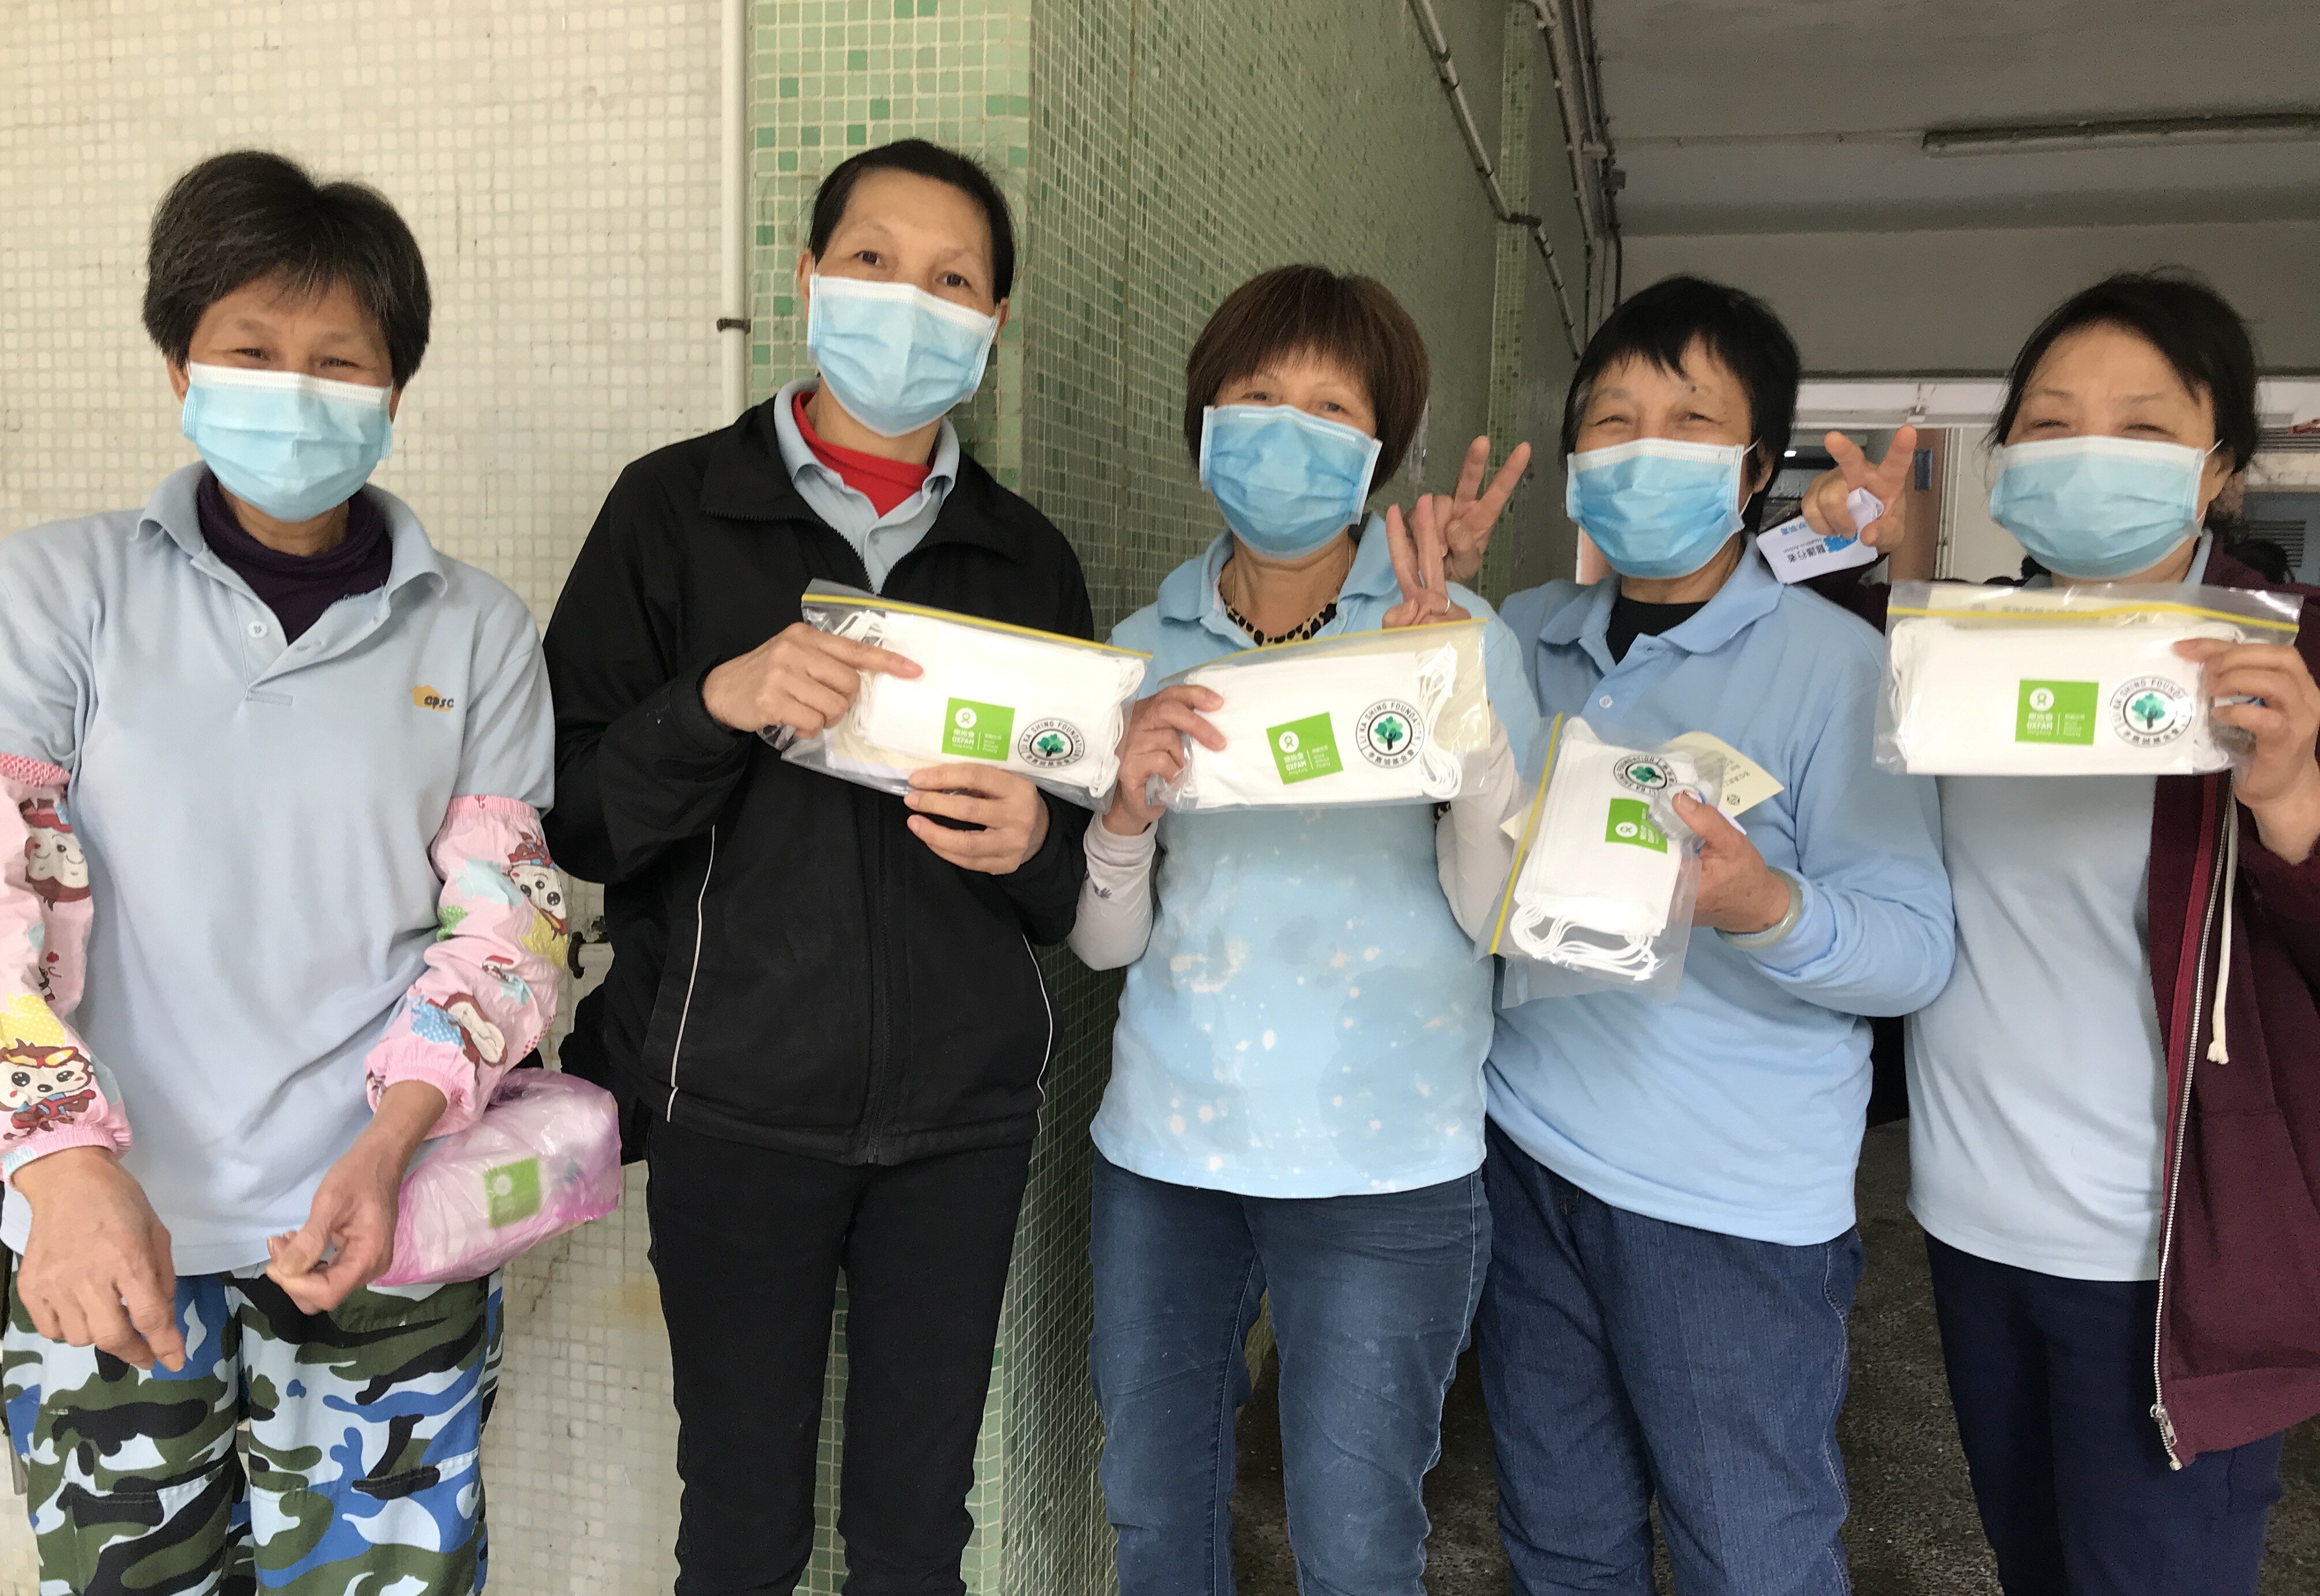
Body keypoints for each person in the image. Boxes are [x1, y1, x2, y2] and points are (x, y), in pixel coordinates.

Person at [0, 150, 559, 1593]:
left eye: (339, 361)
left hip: (376, 1228)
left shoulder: (478, 632)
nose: (296, 392)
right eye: (251, 351)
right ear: (178, 361)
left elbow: (504, 933)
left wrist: (389, 1148)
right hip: (98, 1233)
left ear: (393, 389)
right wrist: (59, 1168)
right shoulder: (56, 593)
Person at [542, 140, 1089, 1596]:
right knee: (738, 1528)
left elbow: (1068, 885)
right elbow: (575, 818)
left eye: (951, 279)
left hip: (959, 1128)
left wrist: (1040, 842)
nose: (906, 301)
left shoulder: (1023, 560)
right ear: (806, 277)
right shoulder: (670, 513)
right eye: (870, 260)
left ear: (989, 329)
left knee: (918, 1538)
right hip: (732, 1112)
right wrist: (712, 704)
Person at [1797, 270, 2320, 1596]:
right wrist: (1831, 550)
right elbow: (1790, 669)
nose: (2088, 454)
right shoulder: (1955, 644)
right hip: (1972, 1224)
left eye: (2141, 429)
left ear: (2217, 471)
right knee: (2030, 1562)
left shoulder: (2288, 668)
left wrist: (2292, 812)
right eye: (2048, 421)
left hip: (2165, 1260)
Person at [1472, 276, 1956, 1595]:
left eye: (1687, 423)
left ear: (1749, 470)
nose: (1642, 449)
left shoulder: (1832, 665)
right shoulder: (1525, 636)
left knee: (1749, 1553)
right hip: (1524, 1157)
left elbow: (1914, 948)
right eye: (1613, 421)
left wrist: (1763, 905)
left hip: (1726, 1205)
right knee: (1557, 1536)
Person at [1069, 263, 1536, 1596]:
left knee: (1354, 1539)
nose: (1287, 427)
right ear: (1204, 422)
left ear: (1379, 447)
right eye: (1257, 395)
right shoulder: (1142, 648)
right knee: (1157, 1513)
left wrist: (1455, 710)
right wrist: (1122, 809)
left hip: (1386, 1167)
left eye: (1329, 405)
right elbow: (1107, 947)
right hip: (1166, 1156)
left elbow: (1490, 910)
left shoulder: (1457, 636)